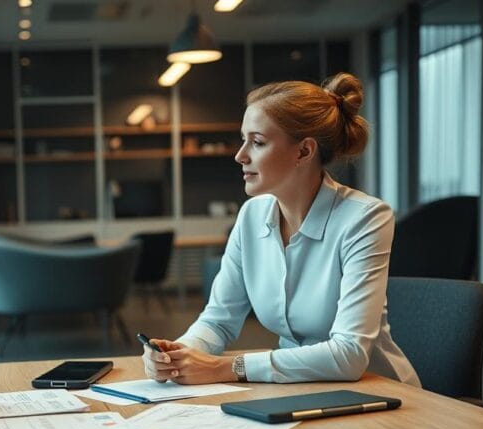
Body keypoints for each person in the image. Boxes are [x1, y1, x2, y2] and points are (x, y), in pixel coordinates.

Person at [142, 73, 419, 388]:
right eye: (243, 139)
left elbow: (349, 355)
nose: (240, 155)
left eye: (257, 142)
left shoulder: (365, 218)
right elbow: (217, 322)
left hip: (379, 393)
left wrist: (226, 367)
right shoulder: (251, 216)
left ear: (303, 151)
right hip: (296, 388)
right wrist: (178, 354)